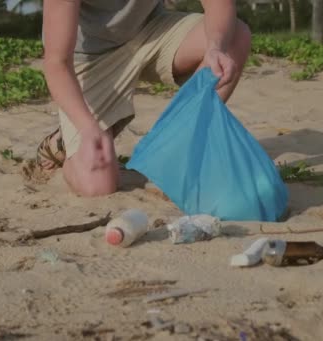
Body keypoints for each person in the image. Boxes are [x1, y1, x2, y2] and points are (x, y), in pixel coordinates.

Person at [35, 0, 251, 197]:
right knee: (97, 186)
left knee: (234, 37)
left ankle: (176, 150)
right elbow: (57, 63)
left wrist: (215, 47)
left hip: (151, 31)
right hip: (91, 60)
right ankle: (61, 142)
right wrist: (87, 127)